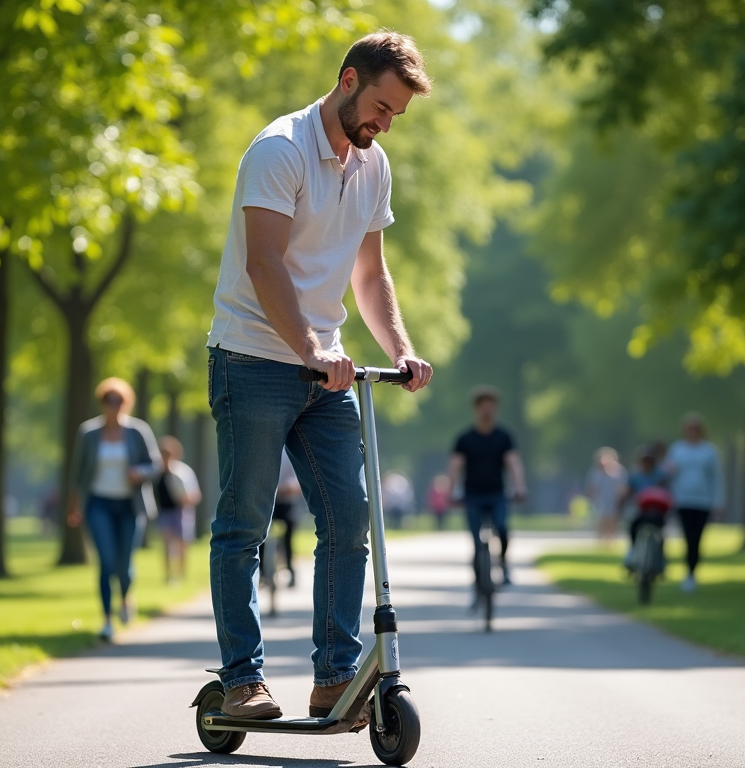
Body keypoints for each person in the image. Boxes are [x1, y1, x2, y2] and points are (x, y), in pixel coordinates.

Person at [204, 31, 434, 720]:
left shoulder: (373, 166)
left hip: (325, 371)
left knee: (349, 516)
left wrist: (399, 347)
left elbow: (370, 272)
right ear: (347, 80)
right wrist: (309, 347)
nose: (384, 123)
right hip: (252, 360)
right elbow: (265, 265)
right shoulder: (278, 149)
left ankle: (334, 675)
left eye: (395, 115)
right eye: (381, 107)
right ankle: (242, 679)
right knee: (244, 523)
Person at [68, 377, 162, 641]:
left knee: (125, 564)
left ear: (126, 402)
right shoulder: (88, 433)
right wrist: (74, 506)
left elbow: (155, 465)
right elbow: (77, 473)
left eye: (118, 400)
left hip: (130, 505)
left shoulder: (138, 431)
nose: (114, 405)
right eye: (109, 401)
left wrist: (139, 472)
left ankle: (125, 597)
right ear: (101, 403)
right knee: (106, 561)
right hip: (98, 503)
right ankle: (107, 620)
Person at [448, 386, 528, 590]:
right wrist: (451, 491)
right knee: (477, 543)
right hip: (472, 495)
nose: (487, 411)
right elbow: (455, 467)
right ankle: (479, 586)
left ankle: (503, 563)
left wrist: (519, 487)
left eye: (491, 407)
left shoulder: (503, 437)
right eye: (483, 407)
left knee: (502, 528)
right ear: (476, 409)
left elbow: (514, 463)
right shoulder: (465, 439)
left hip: (497, 494)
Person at [664, 412, 724, 594]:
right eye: (689, 428)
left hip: (703, 501)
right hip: (682, 500)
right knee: (687, 537)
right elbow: (667, 474)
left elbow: (717, 478)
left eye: (695, 428)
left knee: (696, 538)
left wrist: (719, 501)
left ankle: (692, 572)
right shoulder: (677, 450)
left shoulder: (709, 451)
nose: (692, 431)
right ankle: (688, 572)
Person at [157, 436, 202, 584]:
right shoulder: (156, 473)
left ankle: (181, 574)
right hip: (165, 512)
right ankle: (169, 575)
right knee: (167, 544)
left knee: (182, 543)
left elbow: (195, 495)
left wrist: (184, 499)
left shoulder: (183, 472)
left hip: (181, 511)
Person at [257, 449, 302, 587]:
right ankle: (262, 573)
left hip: (286, 501)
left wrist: (290, 488)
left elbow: (300, 479)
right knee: (260, 535)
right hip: (267, 500)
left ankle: (290, 570)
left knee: (288, 536)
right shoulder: (263, 450)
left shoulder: (292, 451)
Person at [586, 447, 627, 542]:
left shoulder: (619, 470)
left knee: (612, 518)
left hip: (614, 499)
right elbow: (592, 486)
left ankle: (611, 538)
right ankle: (601, 538)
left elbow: (622, 485)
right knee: (601, 518)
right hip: (601, 499)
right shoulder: (596, 471)